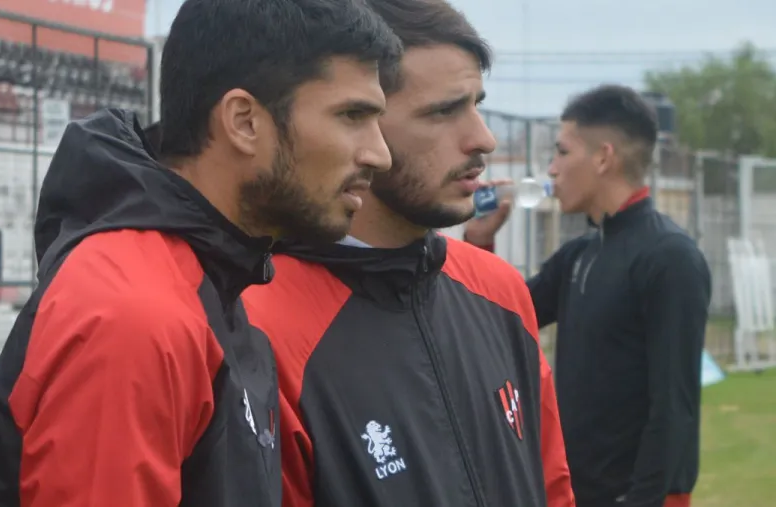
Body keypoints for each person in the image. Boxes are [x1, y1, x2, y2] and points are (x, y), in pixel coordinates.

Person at [0, 0, 400, 505]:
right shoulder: (135, 317)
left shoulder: (216, 277)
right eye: (352, 116)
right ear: (244, 122)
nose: (380, 154)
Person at [241, 0, 575, 506]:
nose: (483, 139)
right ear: (360, 123)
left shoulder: (499, 290)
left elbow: (553, 488)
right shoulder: (258, 321)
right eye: (444, 111)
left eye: (477, 105)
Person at [464, 84, 712, 507]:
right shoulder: (580, 254)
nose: (551, 169)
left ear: (603, 158)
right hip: (573, 491)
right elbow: (495, 324)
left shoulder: (670, 257)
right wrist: (477, 243)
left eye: (562, 152)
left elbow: (675, 407)